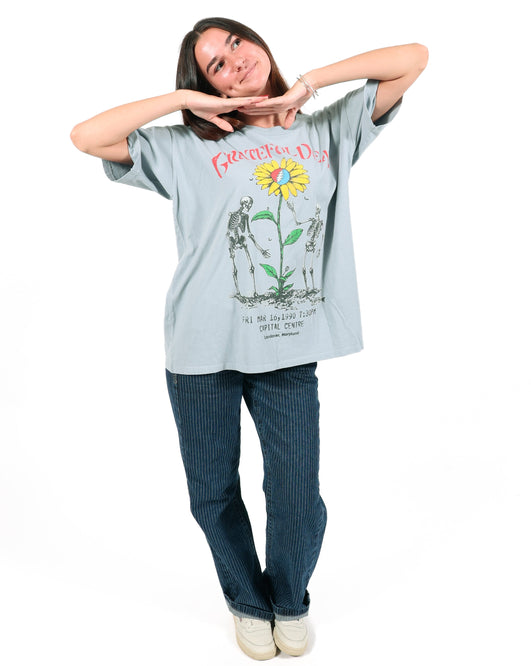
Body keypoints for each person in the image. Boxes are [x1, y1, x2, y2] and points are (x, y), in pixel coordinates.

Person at [71, 17, 428, 660]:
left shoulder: (326, 130)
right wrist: (184, 102)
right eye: (214, 64)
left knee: (297, 496)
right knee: (213, 492)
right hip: (200, 347)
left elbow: (413, 57)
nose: (233, 61)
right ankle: (246, 601)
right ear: (208, 86)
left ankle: (289, 600)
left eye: (235, 43)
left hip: (288, 346)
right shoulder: (184, 145)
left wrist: (309, 85)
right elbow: (86, 136)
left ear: (257, 42)